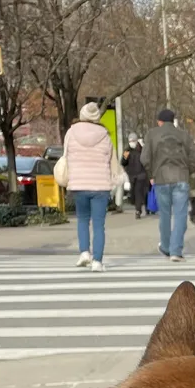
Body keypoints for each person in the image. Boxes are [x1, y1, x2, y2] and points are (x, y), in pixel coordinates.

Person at [62, 101, 118, 272]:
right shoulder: (105, 135)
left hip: (79, 183)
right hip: (100, 184)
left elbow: (65, 155)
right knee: (99, 224)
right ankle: (97, 262)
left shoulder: (71, 133)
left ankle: (84, 252)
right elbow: (111, 160)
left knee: (83, 220)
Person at [142, 107, 195, 261]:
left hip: (161, 178)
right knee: (181, 215)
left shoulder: (152, 135)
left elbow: (145, 158)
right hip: (181, 177)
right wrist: (188, 171)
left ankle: (166, 247)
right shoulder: (184, 135)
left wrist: (151, 174)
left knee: (165, 215)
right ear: (173, 121)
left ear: (159, 121)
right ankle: (176, 250)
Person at [123, 133, 150, 218]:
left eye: (133, 141)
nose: (132, 143)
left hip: (141, 175)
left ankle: (138, 210)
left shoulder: (141, 149)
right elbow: (123, 162)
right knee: (133, 194)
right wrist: (125, 158)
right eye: (130, 141)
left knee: (138, 192)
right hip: (131, 175)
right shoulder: (127, 150)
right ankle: (144, 206)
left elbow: (147, 160)